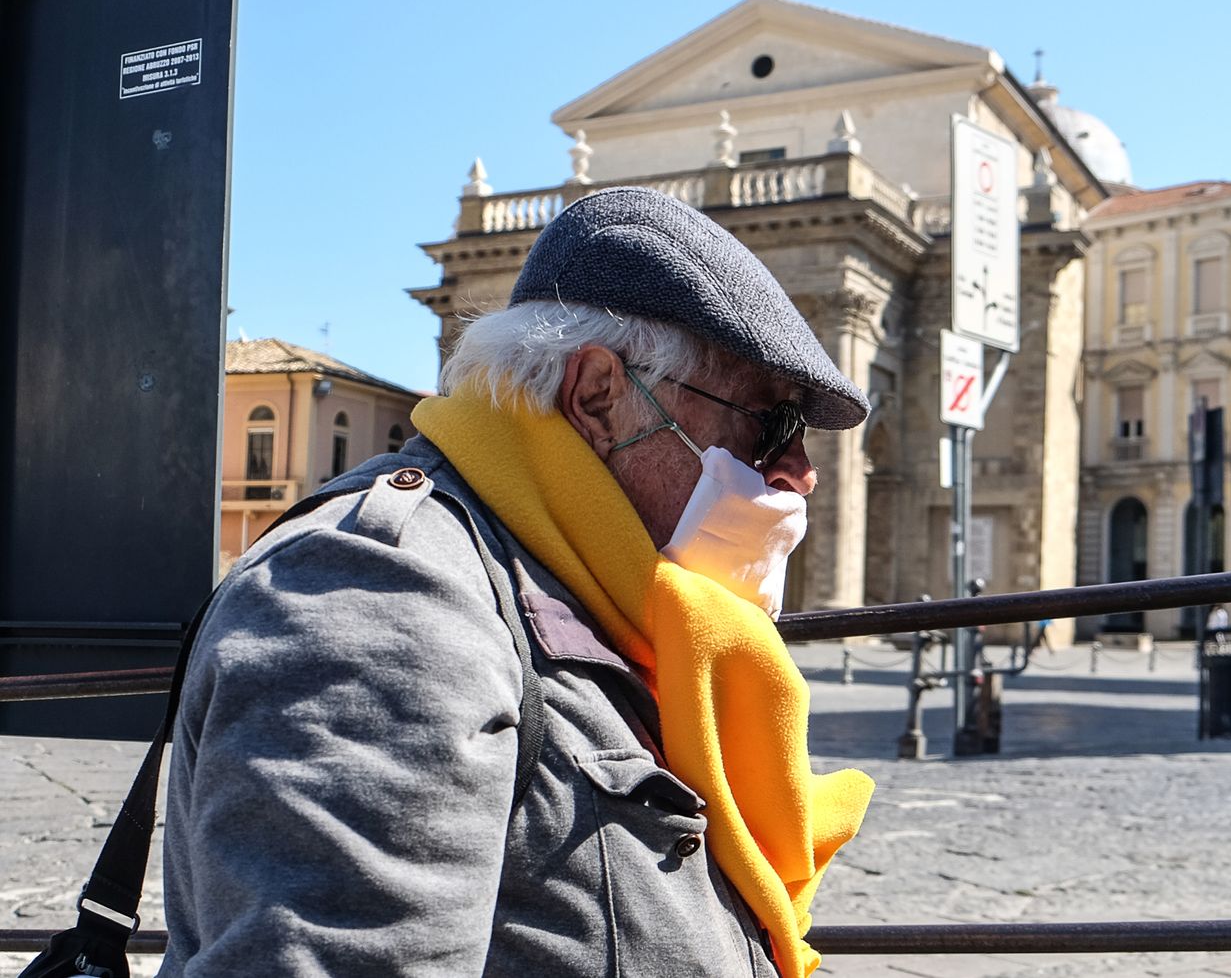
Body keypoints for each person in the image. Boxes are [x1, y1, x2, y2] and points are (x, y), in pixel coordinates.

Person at [159, 188, 876, 977]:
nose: (800, 473)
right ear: (599, 394)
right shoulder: (378, 597)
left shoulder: (602, 585)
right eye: (768, 423)